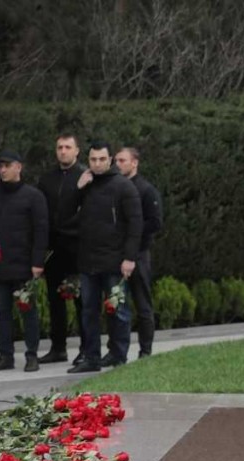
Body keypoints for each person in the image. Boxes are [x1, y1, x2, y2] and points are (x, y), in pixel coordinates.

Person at [69, 141, 143, 373]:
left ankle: (118, 355)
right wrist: (77, 189)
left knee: (118, 311)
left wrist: (129, 258)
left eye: (102, 159)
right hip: (88, 261)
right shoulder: (85, 184)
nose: (97, 164)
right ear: (88, 160)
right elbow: (64, 215)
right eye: (93, 160)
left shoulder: (124, 187)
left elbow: (135, 225)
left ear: (110, 159)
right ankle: (91, 357)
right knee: (88, 311)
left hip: (115, 262)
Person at [0, 152, 49, 374]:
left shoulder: (33, 196)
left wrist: (37, 262)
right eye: (0, 166)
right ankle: (5, 355)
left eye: (7, 166)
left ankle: (32, 355)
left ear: (18, 167)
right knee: (1, 312)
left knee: (28, 311)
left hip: (24, 267)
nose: (2, 170)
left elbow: (41, 231)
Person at [37, 133, 88, 364]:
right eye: (59, 147)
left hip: (78, 247)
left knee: (82, 300)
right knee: (55, 299)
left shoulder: (86, 176)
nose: (63, 151)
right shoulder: (47, 179)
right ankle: (58, 347)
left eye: (68, 147)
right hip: (54, 248)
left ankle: (87, 347)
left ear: (77, 151)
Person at [114, 147, 163, 359]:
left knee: (143, 304)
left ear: (135, 163)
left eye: (123, 160)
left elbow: (155, 222)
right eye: (116, 160)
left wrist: (134, 242)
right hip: (116, 254)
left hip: (139, 254)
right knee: (115, 304)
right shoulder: (115, 188)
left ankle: (145, 350)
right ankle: (116, 350)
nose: (118, 164)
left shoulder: (146, 190)